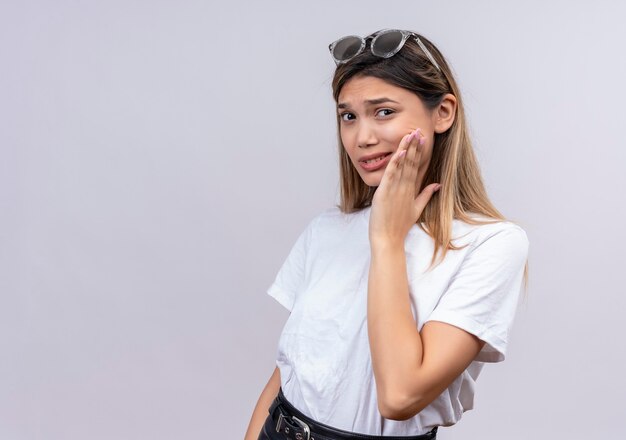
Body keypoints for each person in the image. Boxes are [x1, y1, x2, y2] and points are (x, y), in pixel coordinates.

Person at [245, 28, 530, 440]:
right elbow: (290, 372)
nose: (362, 138)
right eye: (348, 116)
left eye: (383, 112)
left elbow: (399, 395)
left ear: (443, 113)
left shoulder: (492, 244)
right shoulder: (328, 229)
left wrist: (387, 241)